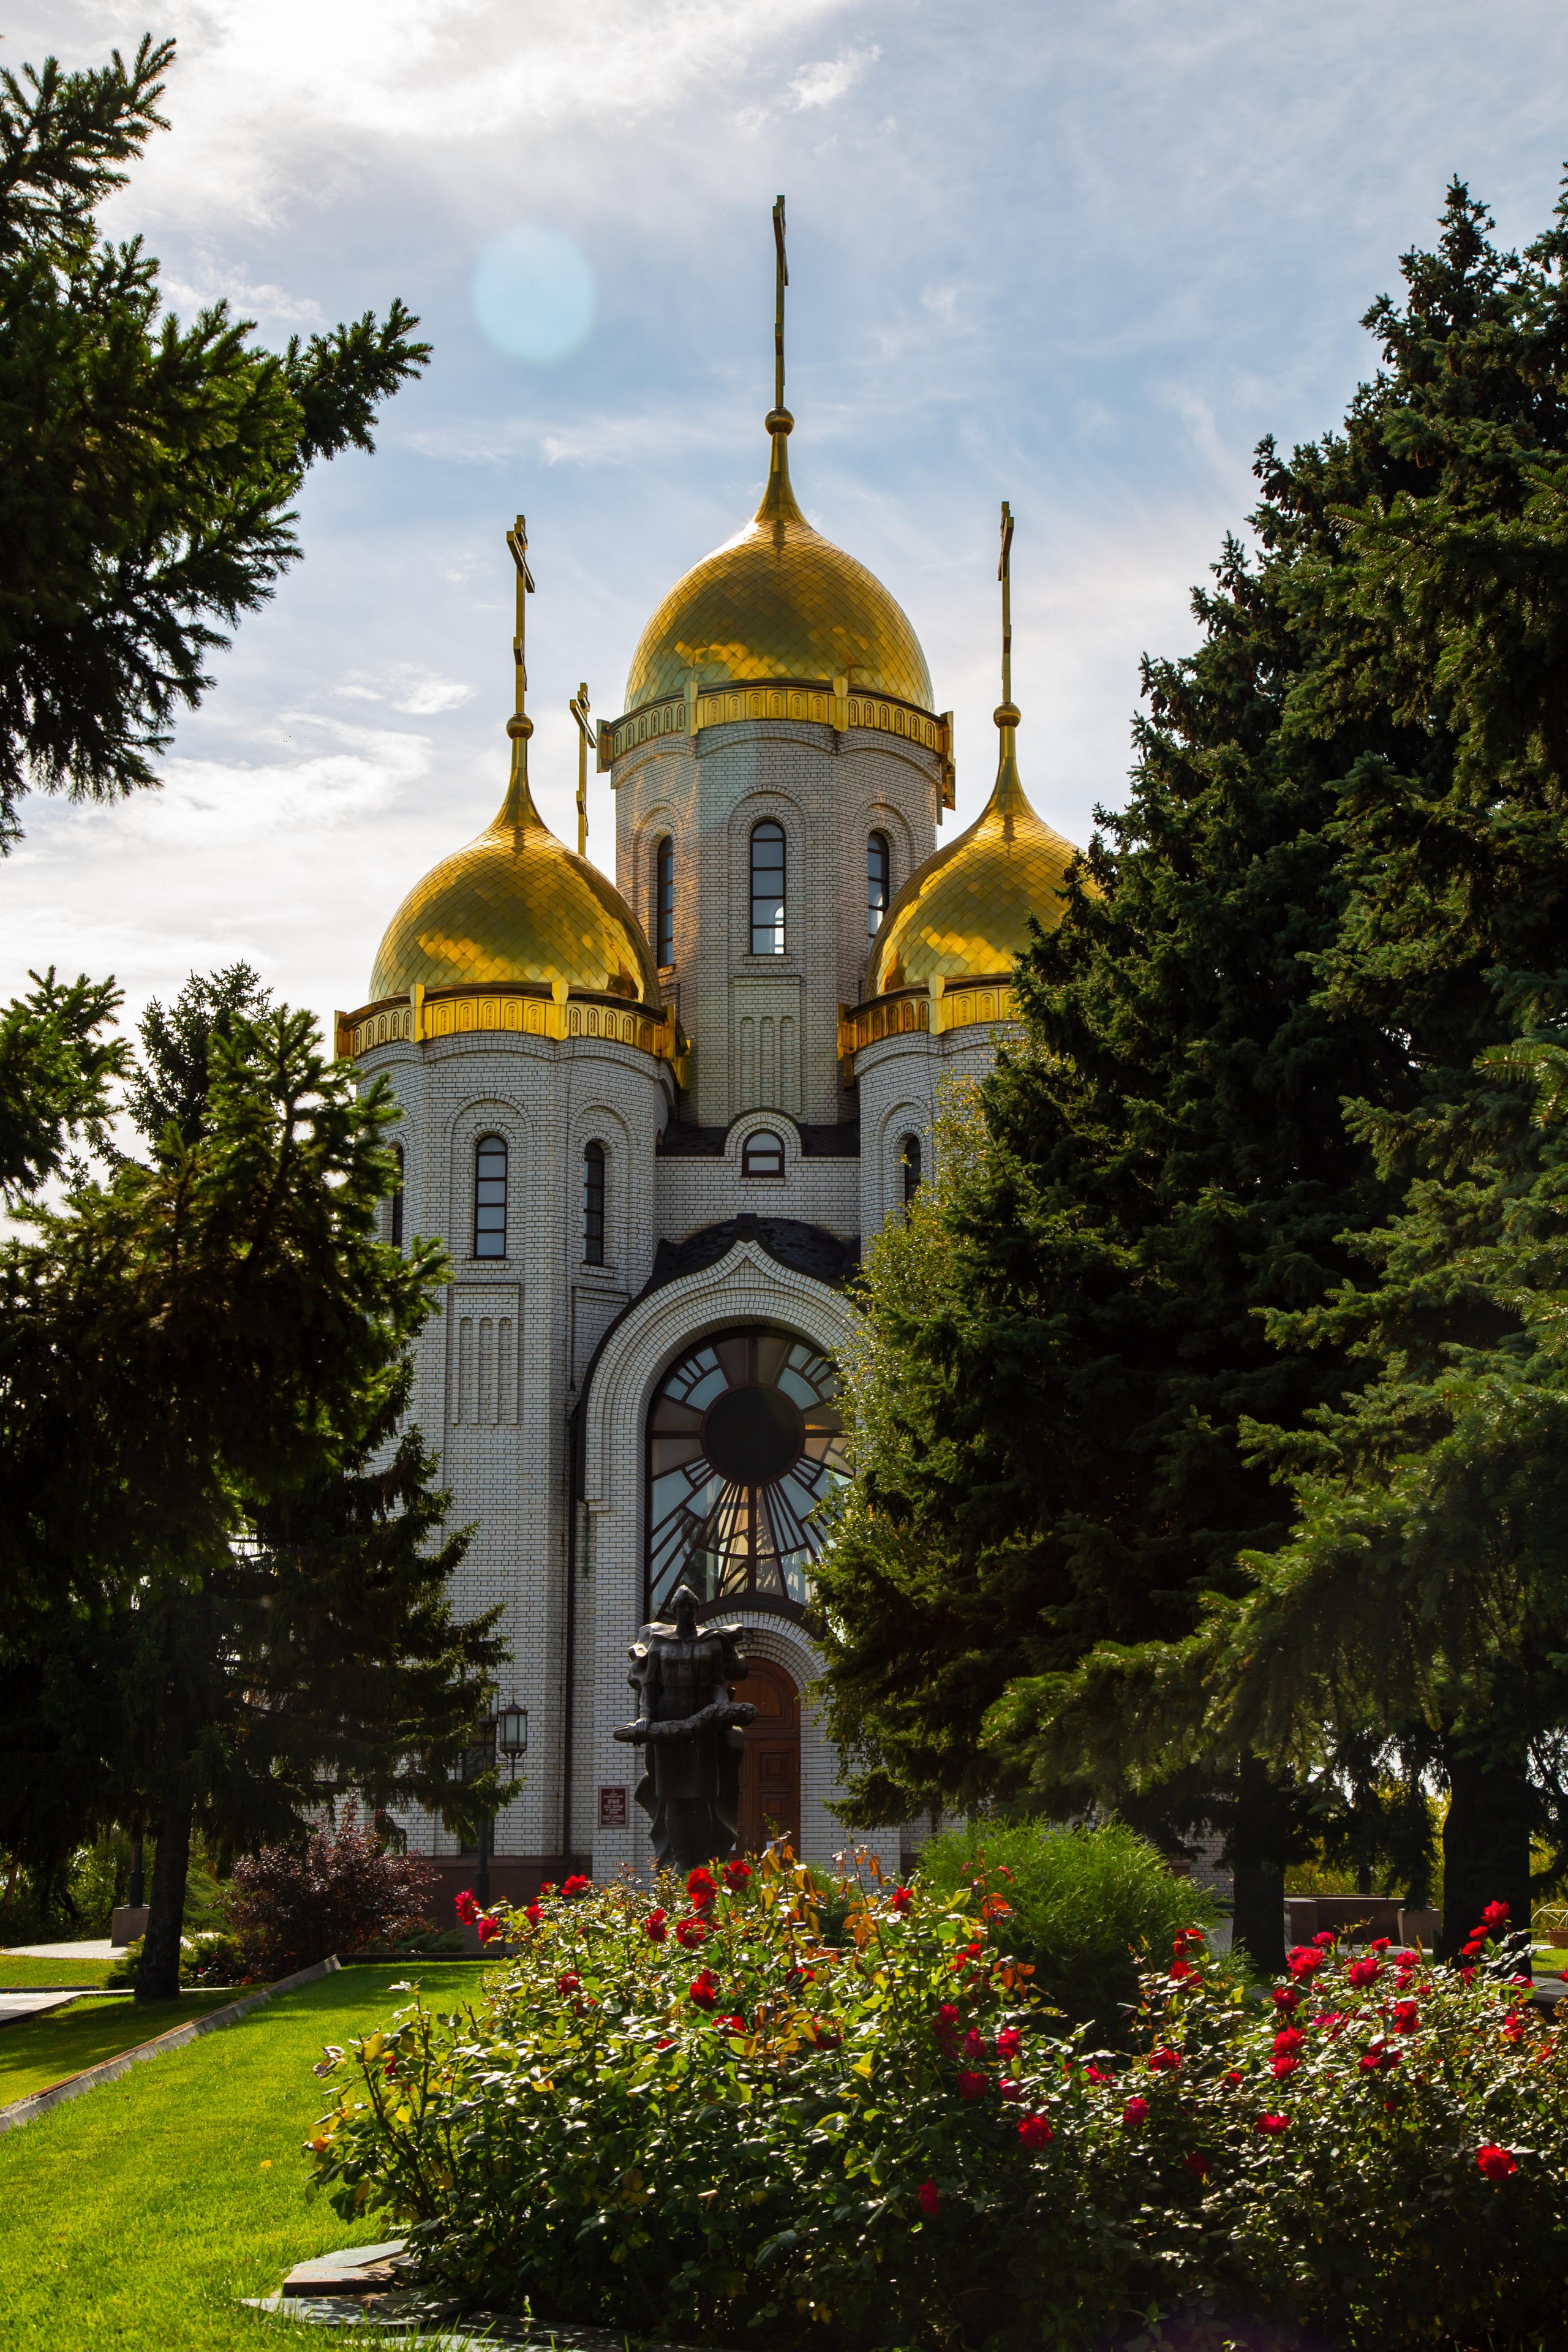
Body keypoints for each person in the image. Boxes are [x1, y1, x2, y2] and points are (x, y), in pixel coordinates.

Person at [614, 1584, 756, 1866]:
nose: (688, 1611)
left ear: (697, 1610)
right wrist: (645, 1717)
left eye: (692, 1607)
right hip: (666, 1725)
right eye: (682, 1607)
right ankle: (679, 1859)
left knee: (703, 1796)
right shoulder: (660, 1643)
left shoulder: (711, 1643)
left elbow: (718, 1683)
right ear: (675, 1610)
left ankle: (702, 1859)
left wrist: (720, 1709)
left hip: (704, 1727)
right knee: (673, 1796)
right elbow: (651, 1686)